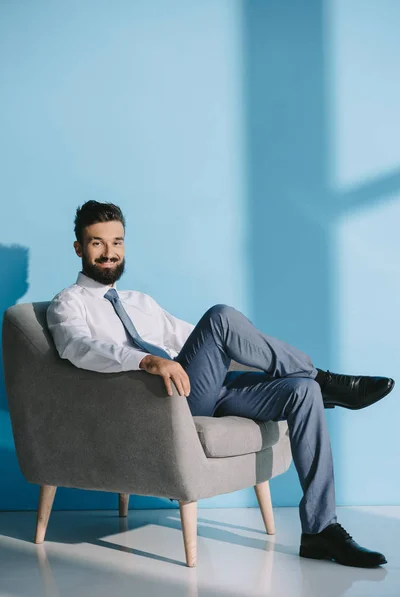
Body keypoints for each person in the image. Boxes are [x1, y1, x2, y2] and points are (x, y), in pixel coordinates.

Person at [47, 200, 394, 569]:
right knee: (220, 317)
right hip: (160, 399)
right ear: (79, 248)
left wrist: (274, 364)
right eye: (97, 243)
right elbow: (79, 348)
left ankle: (320, 530)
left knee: (301, 391)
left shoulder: (139, 302)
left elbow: (202, 342)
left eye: (116, 242)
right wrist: (146, 359)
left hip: (206, 389)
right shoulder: (68, 304)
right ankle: (326, 379)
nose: (109, 253)